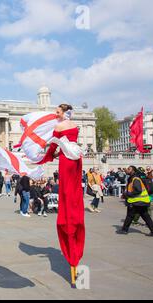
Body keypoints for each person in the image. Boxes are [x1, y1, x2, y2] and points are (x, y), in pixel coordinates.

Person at [36, 104, 85, 283]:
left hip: (66, 160)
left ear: (63, 112)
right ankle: (73, 209)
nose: (55, 114)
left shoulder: (59, 126)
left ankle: (68, 215)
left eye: (57, 112)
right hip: (76, 158)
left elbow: (52, 148)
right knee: (74, 191)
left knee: (65, 192)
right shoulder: (74, 126)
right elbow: (69, 143)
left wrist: (47, 157)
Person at [117, 166, 153, 237]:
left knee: (130, 216)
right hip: (142, 201)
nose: (127, 170)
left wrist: (127, 194)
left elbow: (138, 190)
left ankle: (124, 230)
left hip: (136, 201)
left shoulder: (135, 179)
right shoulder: (134, 178)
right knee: (146, 217)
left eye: (129, 169)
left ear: (133, 171)